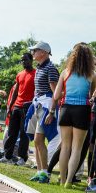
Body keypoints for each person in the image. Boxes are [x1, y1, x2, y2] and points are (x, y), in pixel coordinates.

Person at [45, 42, 96, 188]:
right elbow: (92, 93)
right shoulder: (92, 74)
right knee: (77, 149)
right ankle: (68, 181)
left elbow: (55, 95)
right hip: (82, 111)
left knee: (65, 146)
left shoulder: (65, 72)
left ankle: (61, 180)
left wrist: (65, 93)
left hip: (65, 110)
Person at [25, 41, 59, 183]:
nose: (33, 53)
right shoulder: (39, 68)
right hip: (38, 105)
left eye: (35, 50)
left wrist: (51, 112)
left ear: (44, 52)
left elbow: (56, 92)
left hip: (47, 106)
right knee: (37, 140)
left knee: (40, 140)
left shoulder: (50, 68)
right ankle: (40, 172)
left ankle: (44, 173)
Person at [0, 53, 35, 166]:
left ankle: (22, 158)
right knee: (11, 133)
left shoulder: (36, 74)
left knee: (24, 134)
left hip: (27, 107)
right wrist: (10, 107)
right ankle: (6, 156)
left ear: (31, 60)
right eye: (22, 60)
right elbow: (16, 92)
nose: (23, 62)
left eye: (25, 60)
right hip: (16, 107)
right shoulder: (19, 74)